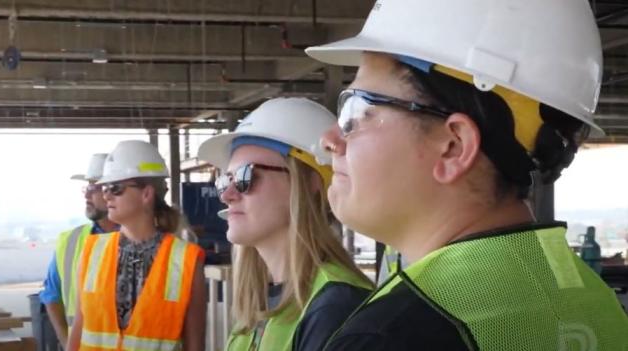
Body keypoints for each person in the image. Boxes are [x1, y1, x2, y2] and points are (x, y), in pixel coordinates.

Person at [305, 0, 628, 349]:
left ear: (454, 146)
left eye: (358, 109)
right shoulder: (593, 301)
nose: (329, 139)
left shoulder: (392, 334)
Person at [198, 98, 374, 351]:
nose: (227, 195)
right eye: (225, 181)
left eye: (246, 177)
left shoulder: (336, 307)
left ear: (309, 183)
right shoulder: (259, 305)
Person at [67, 140, 206, 351]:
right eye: (105, 188)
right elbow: (79, 327)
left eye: (115, 188)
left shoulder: (186, 259)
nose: (106, 195)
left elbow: (194, 345)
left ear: (146, 194)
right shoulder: (91, 251)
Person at [39, 153, 118, 347]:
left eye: (94, 187)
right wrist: (67, 343)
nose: (86, 194)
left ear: (114, 190)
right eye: (87, 187)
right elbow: (51, 296)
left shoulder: (142, 240)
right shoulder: (70, 241)